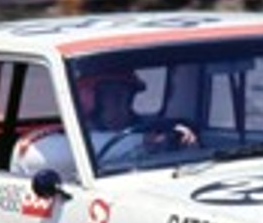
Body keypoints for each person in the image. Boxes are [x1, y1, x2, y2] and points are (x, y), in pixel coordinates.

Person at [10, 69, 195, 177]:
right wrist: (143, 143)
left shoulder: (148, 129)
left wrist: (181, 138)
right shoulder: (54, 141)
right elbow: (30, 156)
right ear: (89, 101)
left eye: (127, 95)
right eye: (112, 96)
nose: (122, 103)